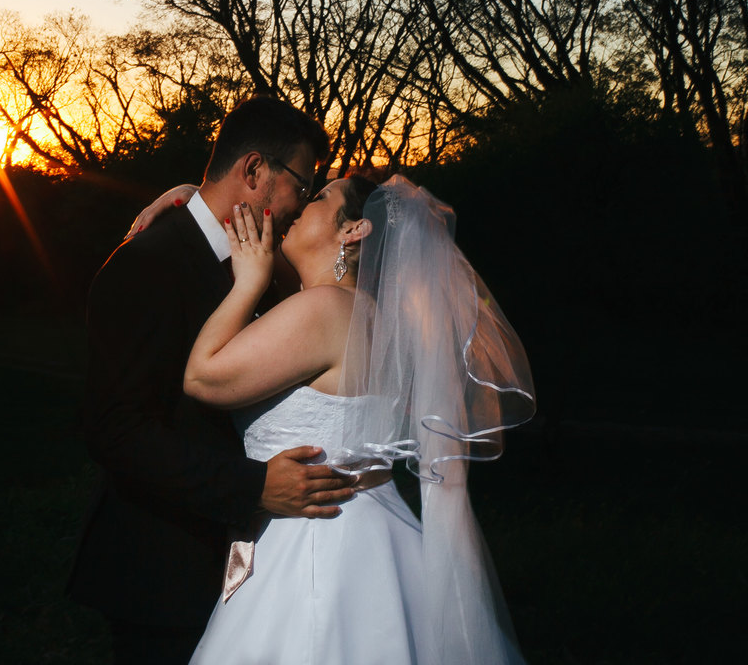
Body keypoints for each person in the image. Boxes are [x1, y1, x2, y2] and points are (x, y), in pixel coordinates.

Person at [184, 174, 536, 664]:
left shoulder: (323, 309)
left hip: (313, 545)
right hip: (376, 529)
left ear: (353, 231)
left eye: (320, 197)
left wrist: (249, 282)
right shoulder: (373, 317)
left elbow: (202, 377)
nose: (302, 204)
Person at [66, 96, 358, 664]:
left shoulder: (272, 262)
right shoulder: (146, 263)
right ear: (254, 171)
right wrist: (251, 488)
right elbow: (114, 430)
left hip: (258, 570)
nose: (303, 201)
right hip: (163, 568)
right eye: (302, 181)